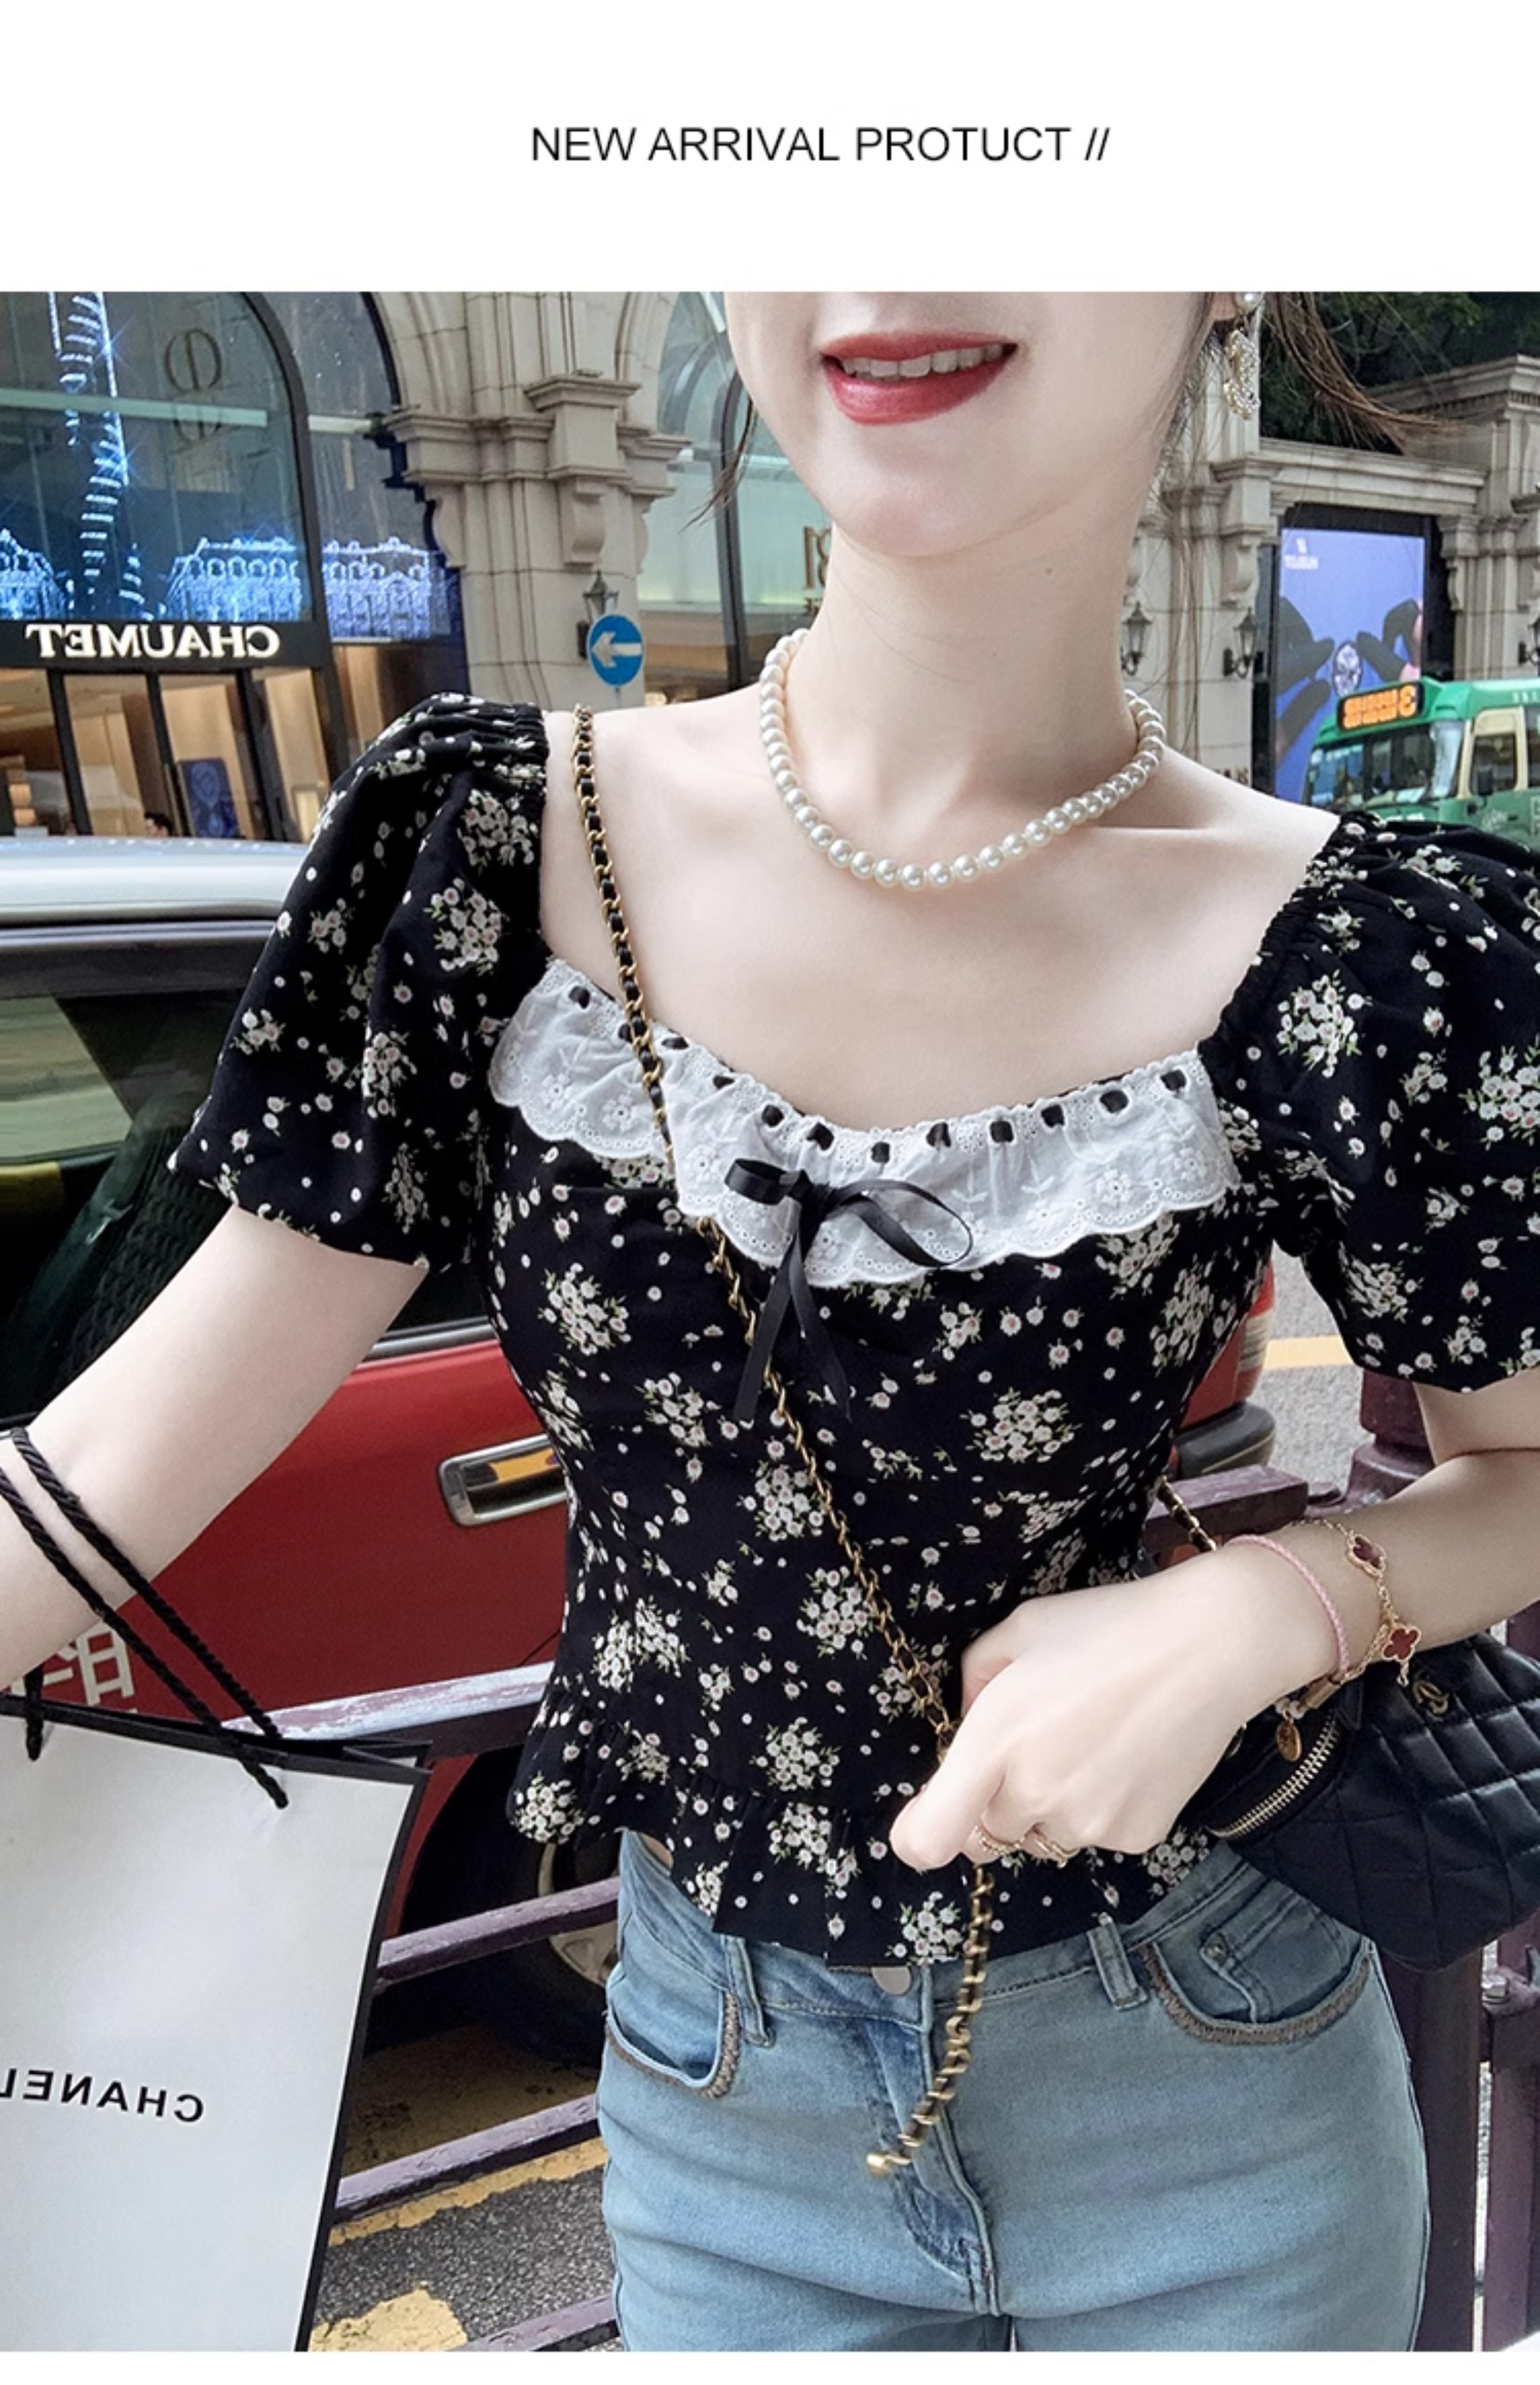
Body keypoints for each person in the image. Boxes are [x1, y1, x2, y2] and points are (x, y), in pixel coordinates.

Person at [4, 294, 1540, 2353]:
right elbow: (105, 1467)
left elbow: (1520, 1473)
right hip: (725, 2104)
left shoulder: (1364, 946)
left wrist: (1271, 1608)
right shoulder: (492, 850)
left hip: (1210, 2066)